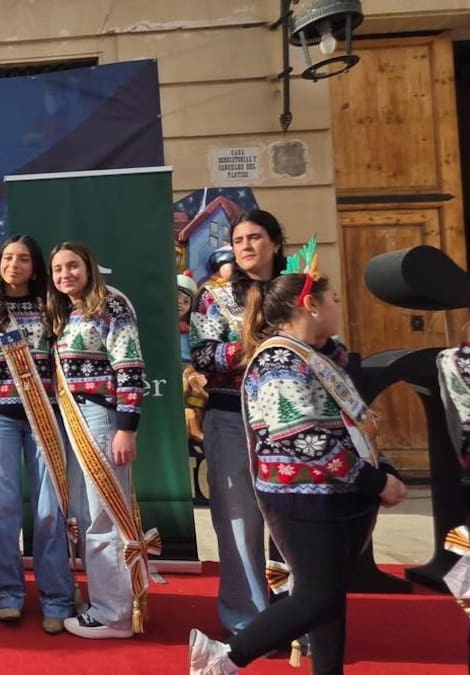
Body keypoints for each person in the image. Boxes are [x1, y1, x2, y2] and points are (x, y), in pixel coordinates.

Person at [189, 270, 407, 675]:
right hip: (303, 492)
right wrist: (373, 480)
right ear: (311, 306)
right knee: (317, 597)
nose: (339, 307)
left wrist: (379, 468)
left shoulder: (311, 355)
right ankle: (225, 658)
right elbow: (301, 436)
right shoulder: (279, 360)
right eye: (334, 299)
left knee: (328, 596)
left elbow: (350, 424)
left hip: (330, 491)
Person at [0, 234, 74, 634]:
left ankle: (57, 598)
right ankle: (7, 594)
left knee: (49, 511)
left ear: (35, 266)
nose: (14, 265)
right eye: (8, 258)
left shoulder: (53, 306)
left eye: (23, 259)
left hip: (46, 416)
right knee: (3, 506)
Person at [189, 210, 289, 634]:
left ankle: (296, 616)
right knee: (238, 522)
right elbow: (202, 354)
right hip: (232, 416)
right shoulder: (214, 296)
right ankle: (248, 622)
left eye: (255, 237)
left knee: (293, 522)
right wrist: (255, 345)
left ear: (276, 243)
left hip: (293, 424)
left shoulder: (298, 290)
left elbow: (327, 343)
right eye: (239, 240)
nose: (246, 246)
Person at [47, 242, 152, 640]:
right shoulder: (66, 312)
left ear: (89, 267)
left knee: (105, 513)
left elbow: (130, 366)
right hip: (73, 417)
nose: (65, 275)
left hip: (102, 416)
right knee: (88, 513)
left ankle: (115, 614)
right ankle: (106, 601)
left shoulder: (111, 306)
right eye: (58, 269)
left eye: (72, 266)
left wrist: (127, 426)